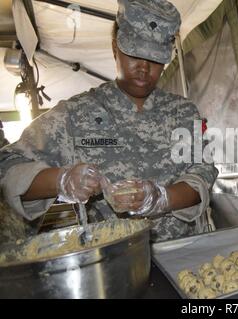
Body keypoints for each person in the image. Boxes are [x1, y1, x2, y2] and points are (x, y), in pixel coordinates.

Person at [0, 0, 218, 242]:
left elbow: (203, 171)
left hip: (183, 252)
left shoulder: (184, 113)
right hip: (114, 260)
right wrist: (62, 179)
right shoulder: (76, 114)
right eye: (134, 53)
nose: (144, 68)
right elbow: (7, 165)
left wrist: (162, 198)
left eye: (155, 59)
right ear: (115, 48)